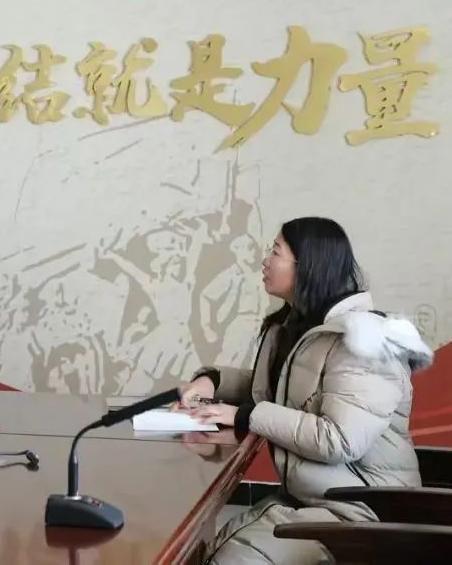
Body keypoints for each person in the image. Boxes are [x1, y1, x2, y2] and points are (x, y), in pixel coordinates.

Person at [174, 217, 433, 565]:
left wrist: (246, 416)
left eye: (275, 252)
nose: (265, 261)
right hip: (314, 500)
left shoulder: (363, 342)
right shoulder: (296, 328)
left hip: (362, 512)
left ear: (308, 265)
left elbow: (339, 440)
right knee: (198, 551)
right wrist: (211, 381)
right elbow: (278, 388)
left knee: (225, 559)